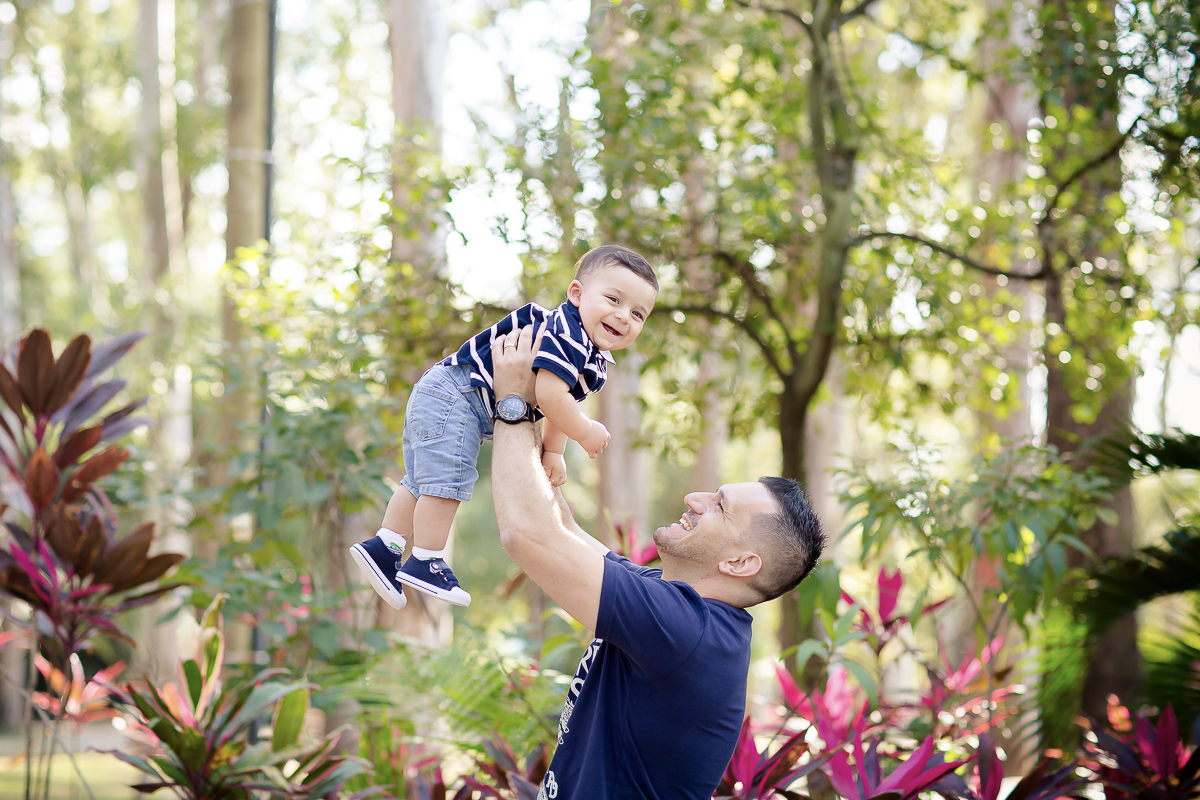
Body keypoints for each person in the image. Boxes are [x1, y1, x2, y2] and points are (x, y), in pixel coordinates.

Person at [488, 323, 827, 800]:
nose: (694, 498)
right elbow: (562, 531)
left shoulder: (683, 631)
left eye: (719, 506)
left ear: (740, 563)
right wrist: (550, 423)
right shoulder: (680, 608)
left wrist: (514, 402)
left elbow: (525, 533)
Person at [350, 245, 659, 608]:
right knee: (447, 482)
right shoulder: (569, 334)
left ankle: (385, 546)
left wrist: (553, 451)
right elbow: (550, 394)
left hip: (444, 393)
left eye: (637, 313)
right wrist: (585, 431)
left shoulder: (585, 348)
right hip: (456, 395)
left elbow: (560, 398)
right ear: (576, 294)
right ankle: (426, 559)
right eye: (613, 299)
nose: (623, 316)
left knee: (423, 482)